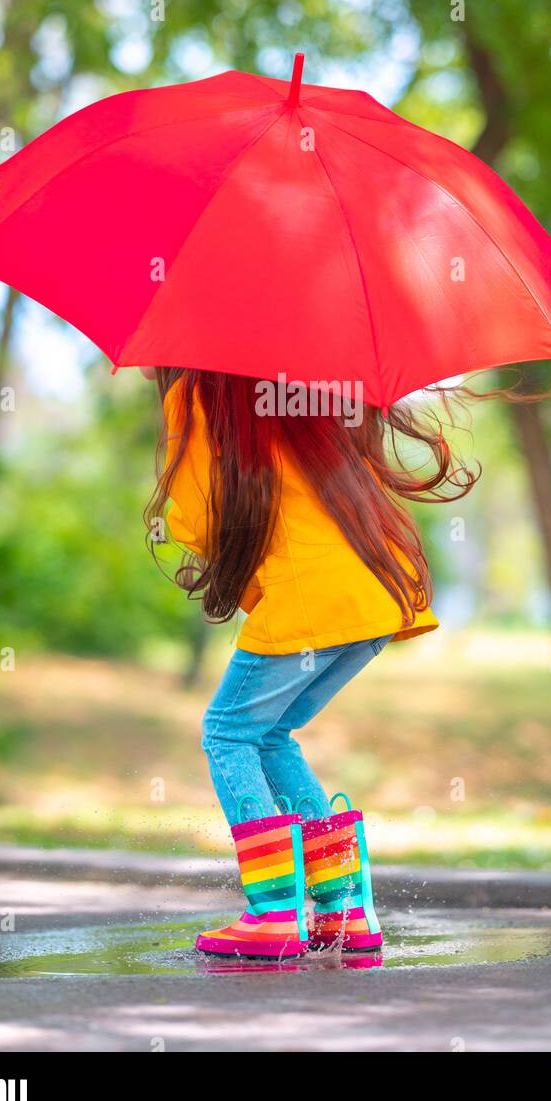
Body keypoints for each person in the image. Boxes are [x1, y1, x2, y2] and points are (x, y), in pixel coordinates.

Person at [141, 366, 478, 958]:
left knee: (228, 734)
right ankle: (343, 909)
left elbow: (194, 516)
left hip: (312, 600)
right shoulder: (308, 385)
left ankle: (271, 912)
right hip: (375, 592)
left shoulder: (197, 390)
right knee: (270, 737)